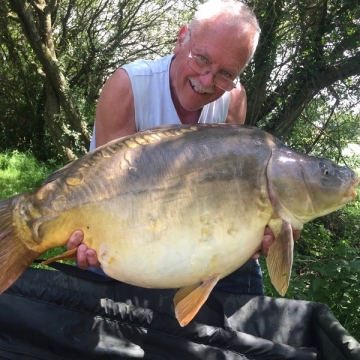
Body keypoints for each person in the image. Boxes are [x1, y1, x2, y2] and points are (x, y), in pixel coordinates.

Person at [67, 0, 275, 295]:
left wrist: (249, 232)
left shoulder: (232, 101)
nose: (207, 81)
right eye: (201, 58)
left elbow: (225, 191)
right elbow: (109, 195)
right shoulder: (128, 87)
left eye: (226, 74)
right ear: (181, 39)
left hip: (191, 238)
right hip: (127, 232)